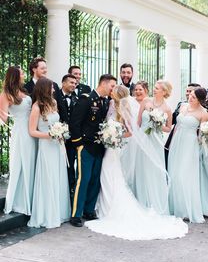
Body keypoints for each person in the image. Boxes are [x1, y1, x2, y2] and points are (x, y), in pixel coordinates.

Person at [85, 85, 188, 240]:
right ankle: (103, 205)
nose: (110, 91)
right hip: (110, 146)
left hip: (117, 145)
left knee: (110, 173)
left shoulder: (128, 108)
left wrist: (115, 136)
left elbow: (132, 130)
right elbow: (136, 125)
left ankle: (109, 208)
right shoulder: (111, 104)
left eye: (113, 90)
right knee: (107, 174)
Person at [69, 74, 117, 227]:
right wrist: (79, 143)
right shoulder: (86, 99)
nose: (113, 89)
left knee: (95, 180)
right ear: (103, 83)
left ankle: (89, 210)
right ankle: (76, 214)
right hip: (86, 145)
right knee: (82, 180)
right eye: (112, 86)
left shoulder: (105, 102)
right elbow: (75, 123)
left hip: (99, 146)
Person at [28, 77, 71, 228]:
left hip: (57, 146)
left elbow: (57, 122)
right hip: (46, 146)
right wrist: (50, 135)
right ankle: (47, 214)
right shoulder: (36, 107)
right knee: (48, 177)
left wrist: (60, 132)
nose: (54, 90)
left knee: (58, 177)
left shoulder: (53, 103)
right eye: (52, 88)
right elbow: (32, 131)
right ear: (45, 89)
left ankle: (58, 212)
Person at [168, 87, 208, 223]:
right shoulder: (183, 107)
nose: (190, 98)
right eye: (190, 95)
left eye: (194, 97)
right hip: (177, 142)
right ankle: (174, 207)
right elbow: (177, 126)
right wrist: (171, 142)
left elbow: (202, 135)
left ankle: (185, 209)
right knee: (173, 173)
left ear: (200, 100)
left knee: (184, 174)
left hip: (190, 145)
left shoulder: (204, 113)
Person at [0, 66, 36, 215]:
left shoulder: (25, 92)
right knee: (19, 164)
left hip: (31, 131)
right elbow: (3, 117)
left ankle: (29, 199)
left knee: (30, 163)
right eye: (21, 73)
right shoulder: (6, 94)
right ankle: (17, 202)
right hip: (20, 131)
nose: (23, 75)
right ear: (15, 76)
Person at [134, 80, 172, 215]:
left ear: (164, 92)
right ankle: (140, 201)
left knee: (154, 170)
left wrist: (157, 124)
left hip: (156, 142)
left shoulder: (167, 109)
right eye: (154, 87)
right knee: (142, 169)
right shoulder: (145, 101)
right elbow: (138, 122)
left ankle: (153, 201)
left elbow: (168, 128)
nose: (154, 90)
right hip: (143, 140)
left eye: (157, 88)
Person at [165, 83, 201, 169]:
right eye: (187, 91)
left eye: (190, 91)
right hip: (174, 136)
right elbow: (172, 119)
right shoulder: (181, 104)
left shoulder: (201, 109)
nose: (187, 93)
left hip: (190, 140)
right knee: (168, 160)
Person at [56, 74, 78, 200]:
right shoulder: (55, 96)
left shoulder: (76, 98)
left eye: (75, 83)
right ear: (63, 83)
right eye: (71, 82)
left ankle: (70, 191)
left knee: (70, 164)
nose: (74, 85)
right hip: (56, 137)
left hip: (71, 139)